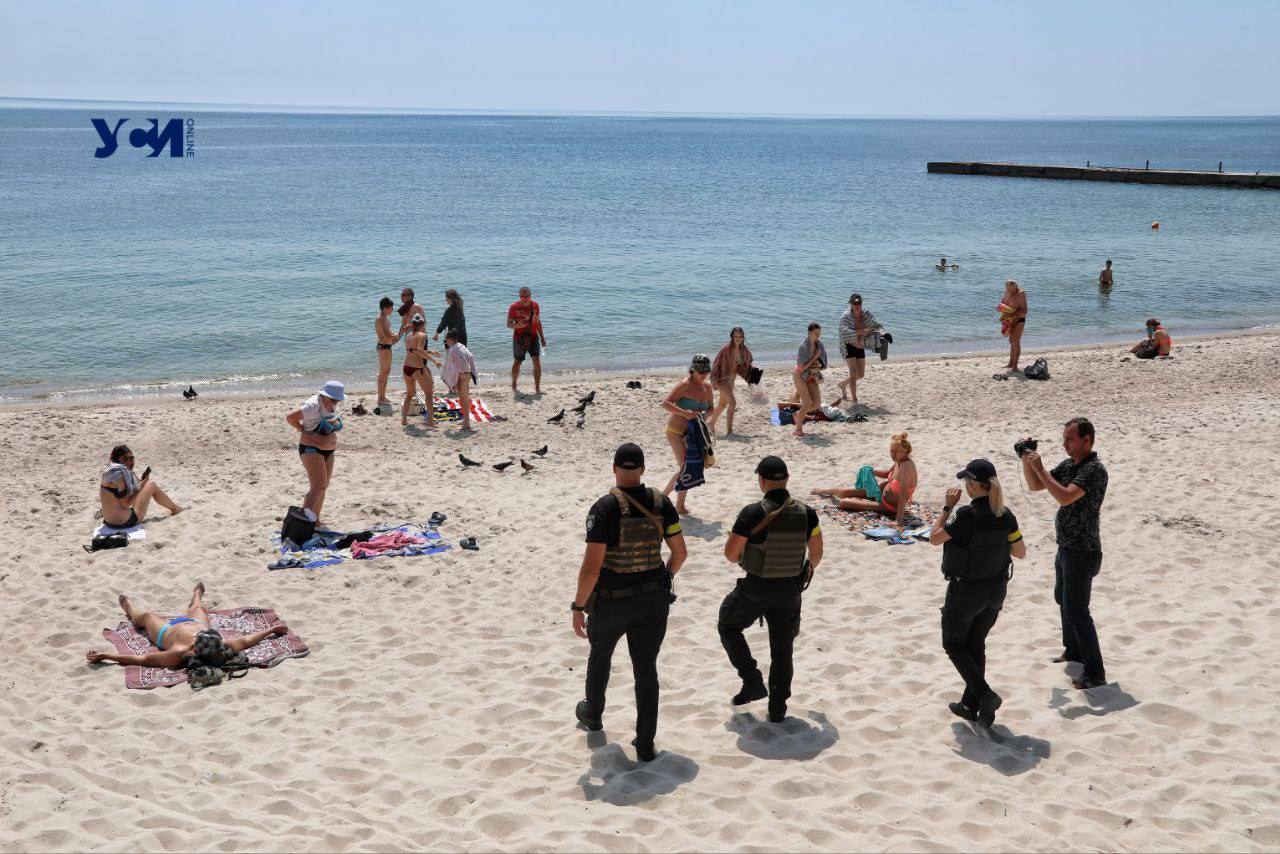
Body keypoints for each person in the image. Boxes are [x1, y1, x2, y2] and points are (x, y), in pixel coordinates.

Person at [572, 443, 688, 763]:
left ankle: (594, 714)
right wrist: (664, 578)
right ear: (643, 470)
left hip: (611, 603)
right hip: (652, 601)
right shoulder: (661, 503)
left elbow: (592, 568)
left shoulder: (604, 508)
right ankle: (646, 742)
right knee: (646, 669)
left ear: (614, 468)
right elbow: (680, 553)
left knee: (600, 656)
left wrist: (578, 606)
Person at [719, 456, 823, 723]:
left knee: (728, 626)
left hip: (757, 587)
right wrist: (804, 571)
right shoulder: (807, 513)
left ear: (761, 481)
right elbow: (816, 553)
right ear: (787, 479)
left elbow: (731, 555)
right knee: (782, 650)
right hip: (790, 589)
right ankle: (777, 709)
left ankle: (752, 681)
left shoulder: (752, 513)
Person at [928, 459, 1026, 728]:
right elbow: (1020, 552)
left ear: (972, 487)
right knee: (975, 644)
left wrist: (947, 508)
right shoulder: (1005, 514)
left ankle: (985, 695)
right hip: (996, 590)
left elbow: (934, 538)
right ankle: (970, 706)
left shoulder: (966, 515)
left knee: (953, 645)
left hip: (967, 592)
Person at [1020, 417, 1109, 690]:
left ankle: (1095, 672)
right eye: (1064, 439)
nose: (1065, 444)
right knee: (1063, 600)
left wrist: (1040, 467)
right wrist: (1026, 459)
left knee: (1077, 610)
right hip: (1066, 547)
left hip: (1083, 550)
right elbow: (1036, 486)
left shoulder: (1093, 470)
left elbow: (1065, 496)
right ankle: (1073, 651)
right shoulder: (1069, 465)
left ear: (1087, 440)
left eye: (1070, 439)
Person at [85, 582, 288, 668]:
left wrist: (106, 656)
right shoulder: (221, 645)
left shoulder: (178, 653)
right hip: (196, 623)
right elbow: (248, 640)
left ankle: (130, 608)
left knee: (146, 616)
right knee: (198, 607)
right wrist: (271, 629)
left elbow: (143, 659)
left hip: (167, 632)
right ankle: (196, 596)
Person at [811, 431, 918, 530]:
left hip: (889, 505)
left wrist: (898, 522)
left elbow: (904, 495)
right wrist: (872, 471)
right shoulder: (899, 461)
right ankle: (823, 491)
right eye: (892, 450)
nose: (893, 454)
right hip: (879, 493)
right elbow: (887, 474)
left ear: (906, 451)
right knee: (845, 492)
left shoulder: (906, 466)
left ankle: (840, 498)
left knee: (844, 503)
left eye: (897, 451)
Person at [285, 380, 346, 523]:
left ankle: (315, 521)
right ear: (325, 395)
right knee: (317, 488)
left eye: (338, 400)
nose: (336, 402)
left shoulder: (330, 403)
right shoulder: (312, 406)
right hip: (311, 449)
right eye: (334, 399)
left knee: (323, 487)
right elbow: (290, 418)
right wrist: (302, 429)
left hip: (328, 451)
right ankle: (301, 523)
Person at [661, 355, 714, 514]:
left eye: (706, 371)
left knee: (690, 467)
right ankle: (666, 500)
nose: (704, 374)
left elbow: (711, 408)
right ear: (693, 370)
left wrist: (704, 415)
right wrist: (684, 413)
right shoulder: (684, 385)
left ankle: (675, 504)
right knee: (685, 467)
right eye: (701, 371)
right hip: (676, 432)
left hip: (694, 433)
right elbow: (665, 403)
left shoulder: (707, 387)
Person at [100, 444, 183, 528]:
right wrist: (141, 486)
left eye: (132, 459)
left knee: (146, 485)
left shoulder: (109, 471)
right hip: (123, 522)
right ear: (120, 459)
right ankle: (175, 509)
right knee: (151, 484)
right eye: (128, 459)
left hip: (108, 521)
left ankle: (175, 508)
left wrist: (138, 480)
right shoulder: (121, 476)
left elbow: (122, 494)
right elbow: (126, 504)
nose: (131, 462)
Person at [834, 294, 883, 408]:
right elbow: (844, 332)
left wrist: (882, 333)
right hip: (848, 345)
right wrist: (861, 331)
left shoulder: (865, 313)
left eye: (859, 303)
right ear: (851, 304)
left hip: (860, 345)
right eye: (855, 303)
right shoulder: (846, 316)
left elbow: (876, 324)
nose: (857, 305)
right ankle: (854, 399)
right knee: (853, 372)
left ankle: (843, 384)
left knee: (860, 374)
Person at [707, 327, 753, 436]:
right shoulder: (726, 349)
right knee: (732, 403)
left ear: (743, 337)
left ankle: (711, 424)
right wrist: (713, 379)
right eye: (735, 336)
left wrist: (753, 377)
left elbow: (749, 362)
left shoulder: (744, 350)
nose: (738, 338)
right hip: (722, 378)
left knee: (723, 404)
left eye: (740, 336)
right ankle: (729, 431)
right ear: (732, 337)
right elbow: (716, 364)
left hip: (732, 380)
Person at [400, 314, 442, 428]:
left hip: (406, 367)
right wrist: (434, 361)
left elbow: (414, 350)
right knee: (428, 393)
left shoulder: (408, 336)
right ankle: (431, 421)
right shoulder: (423, 335)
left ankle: (404, 420)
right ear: (422, 324)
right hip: (417, 368)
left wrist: (431, 352)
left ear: (413, 324)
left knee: (410, 394)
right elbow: (419, 350)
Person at [507, 286, 546, 394]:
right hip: (519, 338)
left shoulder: (535, 306)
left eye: (527, 296)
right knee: (517, 362)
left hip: (533, 337)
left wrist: (542, 337)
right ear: (520, 296)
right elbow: (509, 324)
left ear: (530, 296)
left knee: (536, 362)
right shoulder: (514, 307)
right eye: (523, 297)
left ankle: (537, 388)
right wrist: (517, 326)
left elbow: (538, 322)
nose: (525, 298)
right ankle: (514, 384)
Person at [440, 328, 479, 431]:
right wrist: (471, 373)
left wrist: (453, 378)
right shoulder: (461, 346)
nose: (446, 342)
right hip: (467, 374)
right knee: (465, 397)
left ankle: (466, 423)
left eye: (446, 340)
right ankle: (466, 419)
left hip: (463, 375)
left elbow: (452, 366)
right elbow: (471, 357)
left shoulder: (454, 350)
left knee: (463, 398)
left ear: (450, 340)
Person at [793, 323, 827, 438]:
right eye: (816, 334)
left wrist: (818, 365)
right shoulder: (803, 346)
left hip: (812, 376)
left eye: (819, 334)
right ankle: (798, 430)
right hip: (800, 376)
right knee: (807, 403)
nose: (818, 336)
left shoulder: (820, 345)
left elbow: (824, 363)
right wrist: (814, 357)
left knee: (817, 404)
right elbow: (801, 368)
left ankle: (798, 413)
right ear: (809, 333)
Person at [374, 296, 404, 410]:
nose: (392, 310)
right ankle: (380, 398)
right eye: (391, 308)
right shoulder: (381, 319)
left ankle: (383, 396)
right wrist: (396, 335)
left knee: (386, 372)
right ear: (385, 308)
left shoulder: (384, 318)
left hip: (387, 347)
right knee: (383, 373)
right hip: (383, 348)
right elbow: (387, 335)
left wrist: (395, 335)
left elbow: (388, 334)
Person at [999, 279, 1028, 372]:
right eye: (1009, 289)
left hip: (1019, 319)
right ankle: (1010, 363)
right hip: (1009, 320)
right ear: (1006, 288)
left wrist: (1012, 313)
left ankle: (1015, 365)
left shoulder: (1021, 293)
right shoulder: (1006, 293)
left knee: (1016, 341)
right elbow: (1002, 304)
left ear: (1016, 287)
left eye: (1012, 290)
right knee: (1011, 341)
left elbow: (1025, 310)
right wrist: (1003, 310)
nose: (1011, 291)